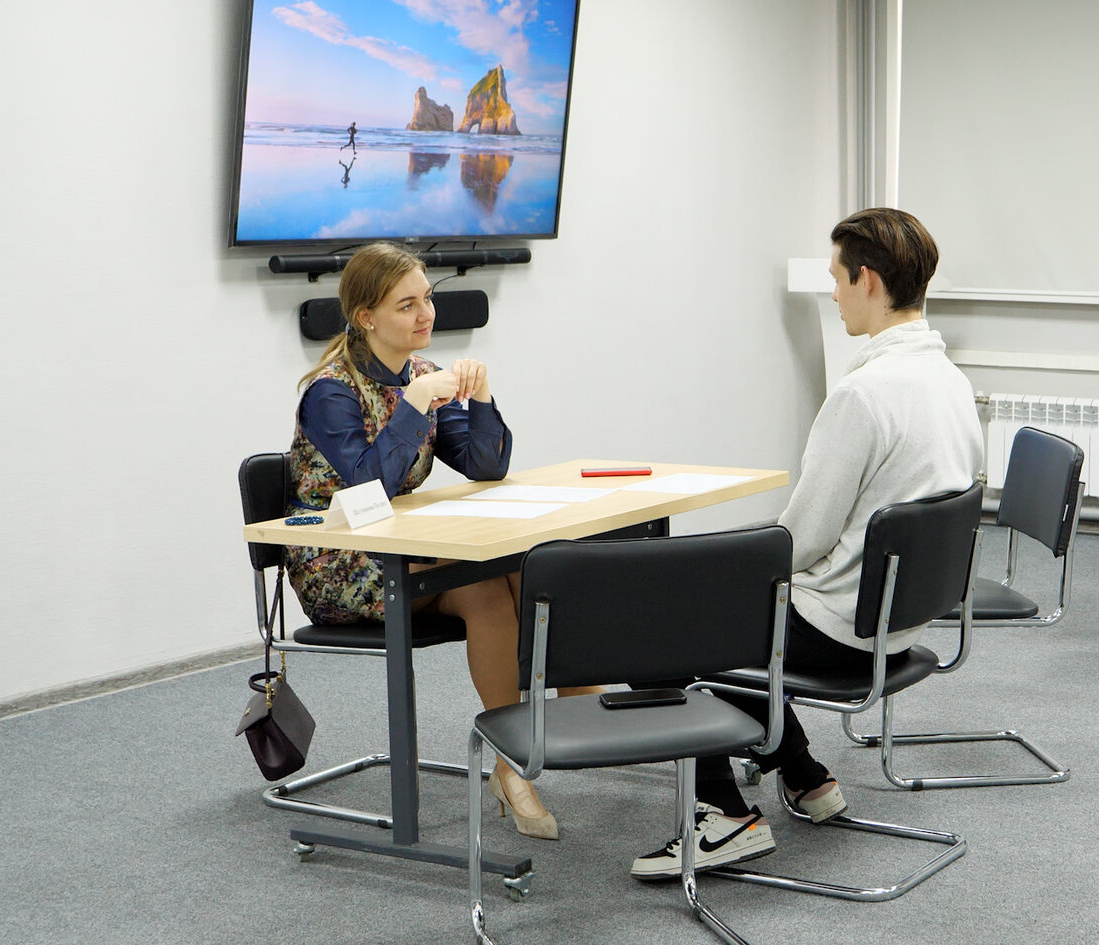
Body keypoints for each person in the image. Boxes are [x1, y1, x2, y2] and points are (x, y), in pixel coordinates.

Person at [629, 208, 982, 879]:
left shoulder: (864, 394)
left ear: (867, 280)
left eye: (837, 279)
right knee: (717, 613)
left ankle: (724, 816)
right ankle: (805, 774)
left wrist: (724, 578)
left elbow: (804, 537)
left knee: (652, 626)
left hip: (838, 627)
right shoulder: (950, 382)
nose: (834, 293)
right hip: (899, 619)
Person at [284, 242, 577, 842]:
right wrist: (415, 406)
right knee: (483, 576)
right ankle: (533, 743)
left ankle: (553, 731)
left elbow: (485, 466)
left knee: (522, 568)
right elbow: (371, 484)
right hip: (340, 561)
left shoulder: (421, 374)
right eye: (407, 305)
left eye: (427, 300)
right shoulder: (330, 392)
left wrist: (482, 397)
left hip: (403, 547)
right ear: (366, 317)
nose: (426, 315)